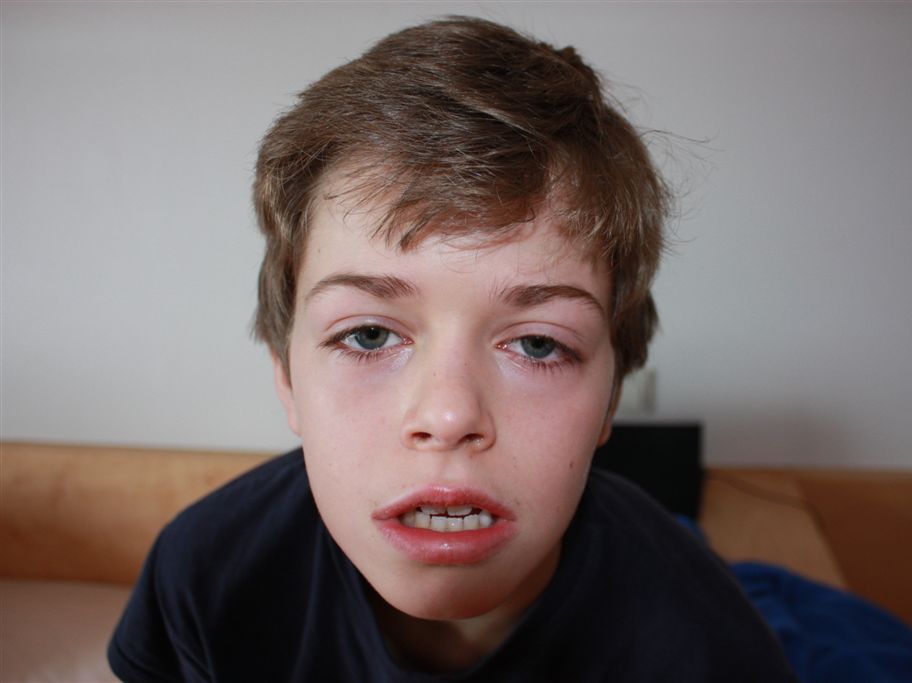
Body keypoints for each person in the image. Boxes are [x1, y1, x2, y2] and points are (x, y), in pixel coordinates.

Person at [108, 16, 796, 682]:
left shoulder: (705, 641)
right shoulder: (203, 574)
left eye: (537, 343)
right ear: (286, 376)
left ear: (611, 397)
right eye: (369, 335)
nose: (448, 415)